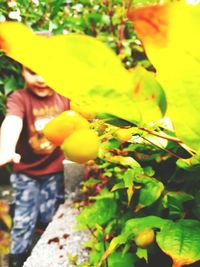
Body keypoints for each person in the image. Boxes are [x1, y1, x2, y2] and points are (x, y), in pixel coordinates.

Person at [0, 66, 70, 267]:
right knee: (23, 220)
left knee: (49, 215)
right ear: (22, 72)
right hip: (26, 174)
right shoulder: (19, 98)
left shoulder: (63, 97)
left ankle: (44, 247)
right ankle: (17, 258)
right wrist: (6, 148)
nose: (41, 79)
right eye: (32, 72)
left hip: (54, 172)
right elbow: (12, 120)